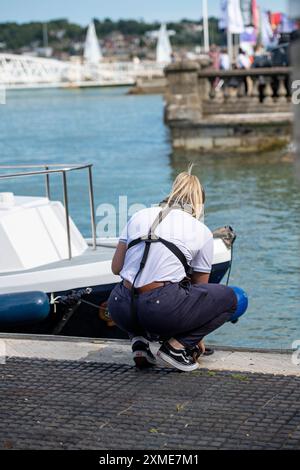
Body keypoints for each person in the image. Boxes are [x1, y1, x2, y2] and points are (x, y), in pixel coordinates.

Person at [108, 169, 239, 372]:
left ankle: (139, 343)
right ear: (199, 204)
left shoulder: (138, 215)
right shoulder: (200, 230)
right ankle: (175, 349)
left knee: (131, 284)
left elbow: (117, 268)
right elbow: (201, 290)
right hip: (159, 310)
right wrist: (193, 338)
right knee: (230, 298)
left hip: (120, 307)